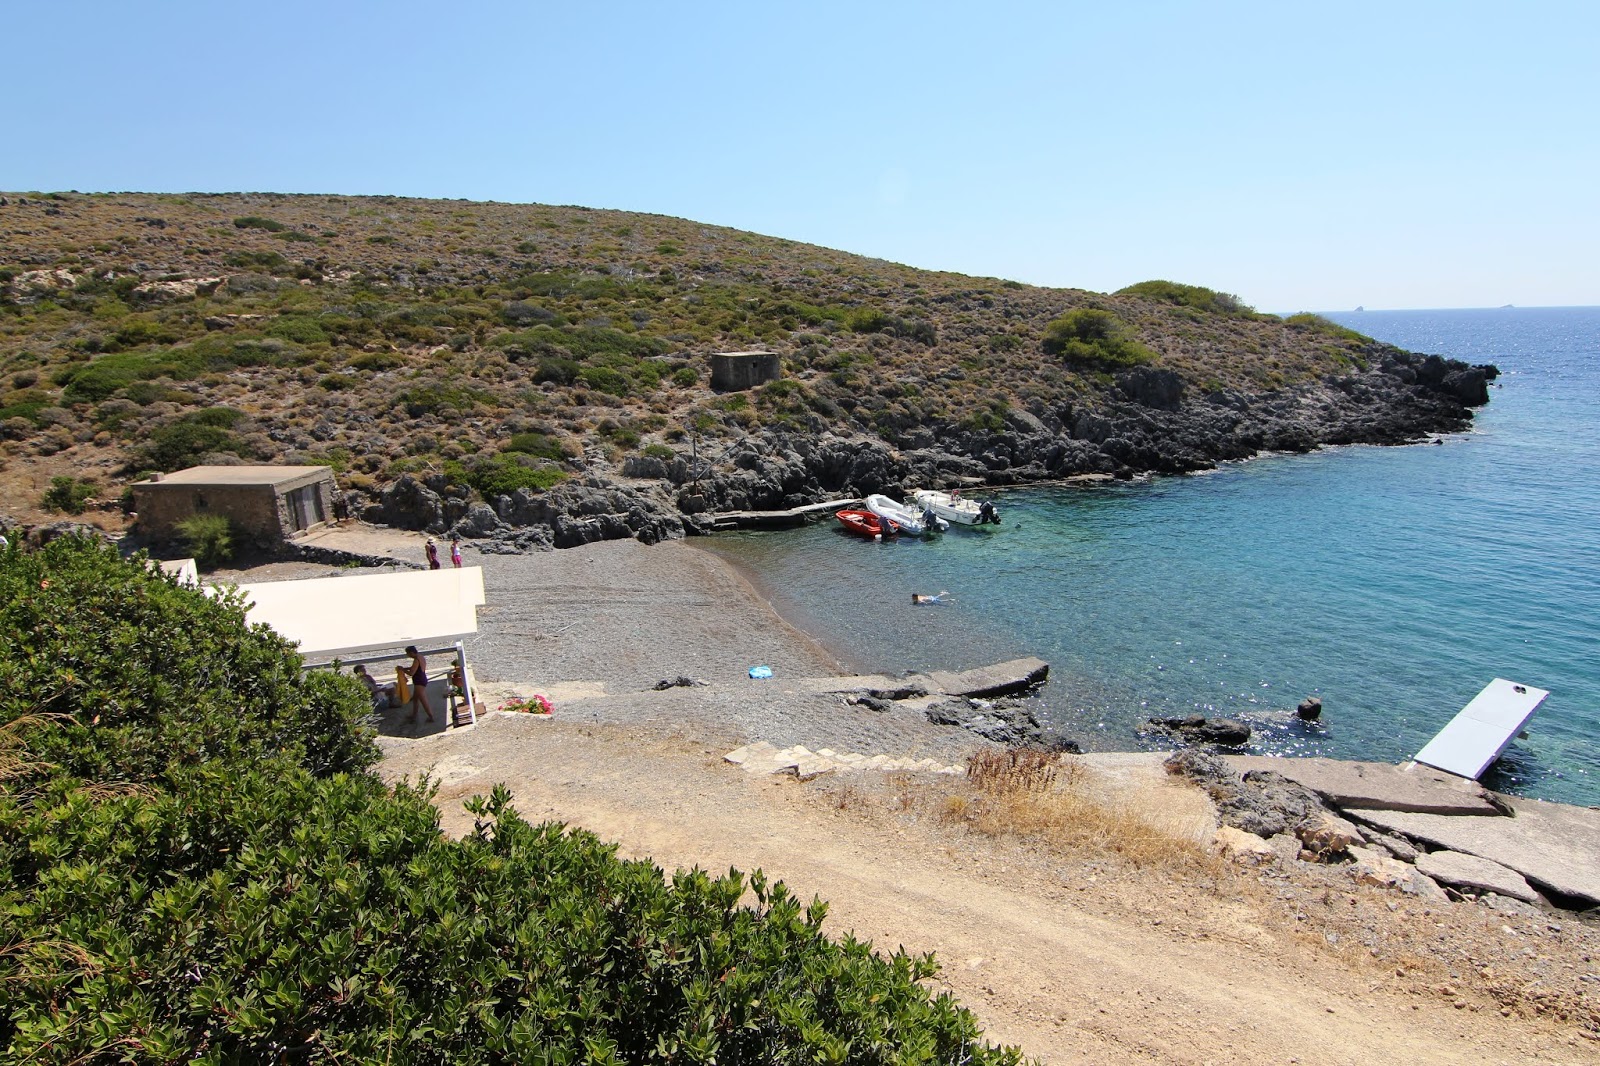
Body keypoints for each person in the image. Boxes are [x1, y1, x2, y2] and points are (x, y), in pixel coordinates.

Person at [405, 645, 435, 723]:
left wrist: (403, 670)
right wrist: (404, 668)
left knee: (423, 700)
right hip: (421, 679)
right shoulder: (420, 657)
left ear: (411, 653)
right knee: (415, 699)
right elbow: (414, 668)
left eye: (407, 653)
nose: (407, 655)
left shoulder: (416, 660)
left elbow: (411, 672)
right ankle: (414, 715)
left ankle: (431, 716)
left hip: (419, 682)